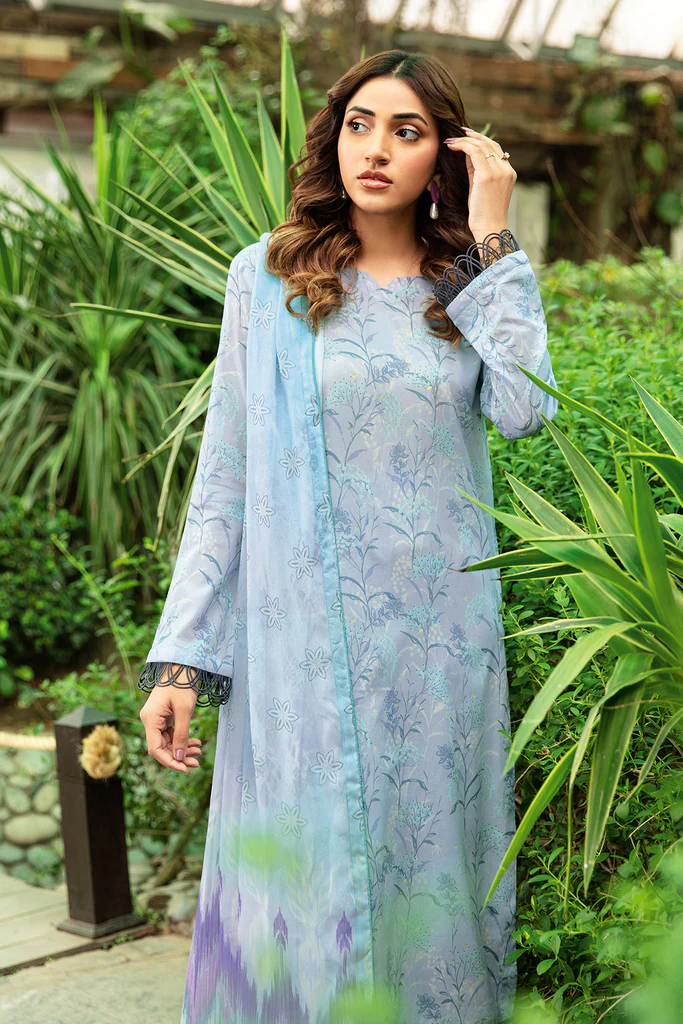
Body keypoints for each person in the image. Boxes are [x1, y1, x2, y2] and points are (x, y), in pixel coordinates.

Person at [138, 48, 557, 1024]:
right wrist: (182, 662)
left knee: (428, 887)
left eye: (406, 132)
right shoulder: (271, 277)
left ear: (443, 156)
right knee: (304, 887)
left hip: (436, 655)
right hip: (302, 656)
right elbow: (226, 476)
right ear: (334, 137)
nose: (375, 149)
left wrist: (492, 236)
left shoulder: (466, 281)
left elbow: (526, 410)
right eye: (360, 124)